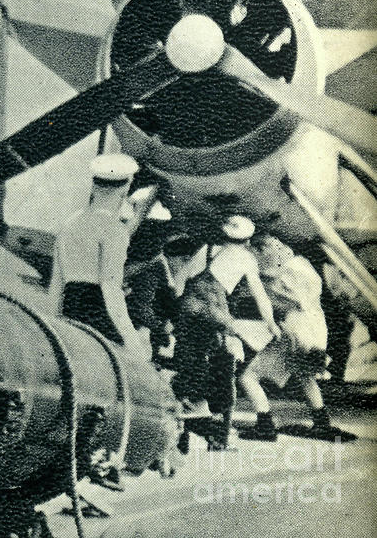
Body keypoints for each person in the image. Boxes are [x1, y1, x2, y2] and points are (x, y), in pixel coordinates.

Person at [171, 215, 280, 447]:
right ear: (248, 240)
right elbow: (260, 296)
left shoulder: (208, 249)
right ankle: (218, 431)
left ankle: (182, 431)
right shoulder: (247, 258)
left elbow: (179, 282)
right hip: (215, 309)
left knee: (190, 368)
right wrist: (271, 323)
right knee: (225, 362)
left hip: (189, 308)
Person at [239, 235, 356, 442]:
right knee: (305, 374)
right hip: (316, 329)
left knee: (248, 377)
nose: (280, 246)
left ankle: (265, 425)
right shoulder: (303, 265)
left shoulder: (271, 277)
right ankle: (322, 423)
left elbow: (278, 301)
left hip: (295, 328)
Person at [49, 153, 157, 353]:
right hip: (97, 314)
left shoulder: (70, 224)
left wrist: (53, 328)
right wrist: (133, 343)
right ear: (126, 188)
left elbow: (56, 284)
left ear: (95, 185)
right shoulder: (113, 229)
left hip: (70, 310)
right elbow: (110, 288)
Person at [126, 233, 199, 367]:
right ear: (183, 259)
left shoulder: (162, 273)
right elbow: (140, 307)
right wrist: (160, 327)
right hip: (137, 333)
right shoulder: (153, 273)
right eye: (186, 264)